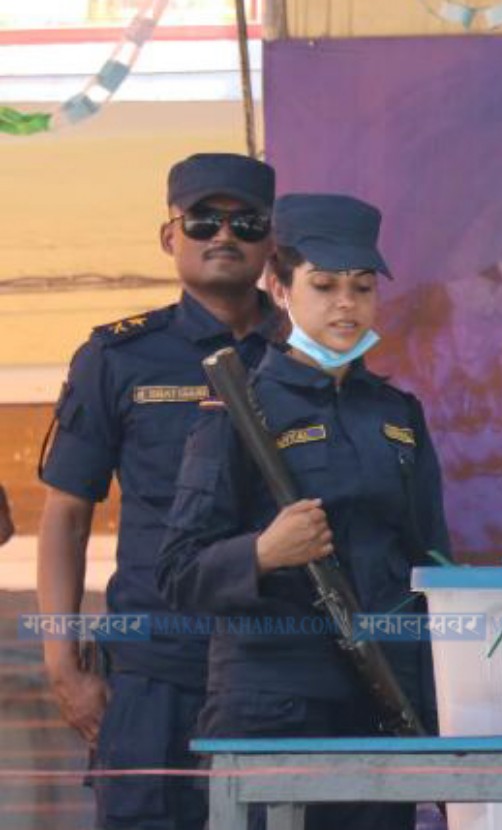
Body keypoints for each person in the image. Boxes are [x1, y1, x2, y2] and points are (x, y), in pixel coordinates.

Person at [157, 193, 450, 830]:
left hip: (381, 699)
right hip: (275, 700)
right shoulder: (239, 410)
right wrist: (261, 553)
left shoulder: (397, 415)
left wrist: (433, 715)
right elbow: (178, 573)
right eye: (324, 285)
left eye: (362, 286)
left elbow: (431, 566)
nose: (346, 303)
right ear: (280, 288)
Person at [37, 153, 281, 830]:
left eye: (245, 220)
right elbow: (65, 514)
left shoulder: (306, 354)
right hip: (153, 670)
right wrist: (62, 660)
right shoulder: (117, 358)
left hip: (282, 668)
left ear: (272, 241)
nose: (222, 235)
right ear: (170, 235)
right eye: (203, 219)